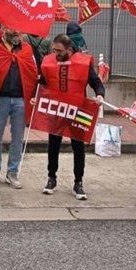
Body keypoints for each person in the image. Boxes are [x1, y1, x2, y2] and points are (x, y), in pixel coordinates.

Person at [40, 34, 105, 200]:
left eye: (59, 51)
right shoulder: (48, 62)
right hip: (57, 110)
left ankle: (78, 182)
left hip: (78, 110)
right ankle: (51, 177)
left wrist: (99, 94)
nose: (56, 53)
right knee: (53, 145)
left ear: (69, 50)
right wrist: (36, 96)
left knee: (78, 147)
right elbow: (42, 83)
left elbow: (96, 82)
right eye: (54, 50)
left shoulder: (83, 63)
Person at [0, 25, 38, 189]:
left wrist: (33, 95)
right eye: (13, 29)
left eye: (19, 29)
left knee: (18, 138)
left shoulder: (27, 49)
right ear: (4, 29)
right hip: (0, 99)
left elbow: (33, 71)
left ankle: (12, 172)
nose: (17, 32)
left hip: (21, 99)